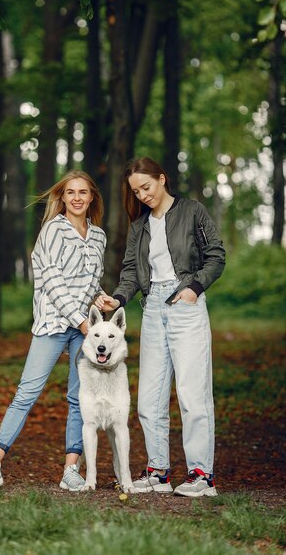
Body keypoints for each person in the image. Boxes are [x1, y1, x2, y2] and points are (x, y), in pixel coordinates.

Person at [96, 157, 225, 498]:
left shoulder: (193, 211)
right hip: (153, 310)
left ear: (162, 179)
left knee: (193, 396)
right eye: (136, 191)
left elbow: (216, 255)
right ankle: (158, 472)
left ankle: (202, 476)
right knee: (148, 400)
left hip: (186, 306)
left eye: (147, 187)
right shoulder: (139, 225)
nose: (142, 195)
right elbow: (129, 273)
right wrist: (118, 300)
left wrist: (194, 288)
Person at [0, 170, 106, 491]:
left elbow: (90, 281)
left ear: (91, 198)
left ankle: (71, 471)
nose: (76, 197)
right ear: (62, 197)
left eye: (83, 192)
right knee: (26, 394)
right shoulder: (52, 231)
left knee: (78, 399)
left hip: (84, 328)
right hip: (53, 323)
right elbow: (53, 283)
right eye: (70, 192)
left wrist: (100, 297)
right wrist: (83, 321)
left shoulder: (98, 236)